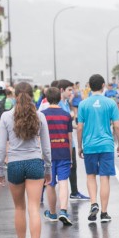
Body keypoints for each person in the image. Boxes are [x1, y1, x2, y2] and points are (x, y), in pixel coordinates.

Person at [0, 82, 51, 238]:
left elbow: (1, 147)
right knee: (34, 208)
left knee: (19, 208)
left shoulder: (6, 116)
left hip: (15, 164)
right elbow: (46, 147)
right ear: (32, 95)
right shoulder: (40, 116)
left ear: (15, 95)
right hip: (35, 162)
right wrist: (48, 168)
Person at [76, 74, 119, 224]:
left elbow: (79, 127)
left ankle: (93, 203)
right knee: (104, 178)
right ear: (103, 85)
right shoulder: (110, 103)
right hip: (106, 145)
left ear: (89, 86)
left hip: (89, 145)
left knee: (90, 176)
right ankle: (104, 213)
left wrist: (80, 146)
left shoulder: (83, 104)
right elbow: (117, 126)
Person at [41, 86, 74, 225]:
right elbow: (70, 138)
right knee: (63, 182)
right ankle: (64, 211)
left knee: (50, 183)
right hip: (64, 153)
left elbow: (40, 138)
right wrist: (71, 156)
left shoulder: (42, 115)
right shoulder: (66, 115)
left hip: (48, 155)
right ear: (60, 98)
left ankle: (53, 213)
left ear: (47, 99)